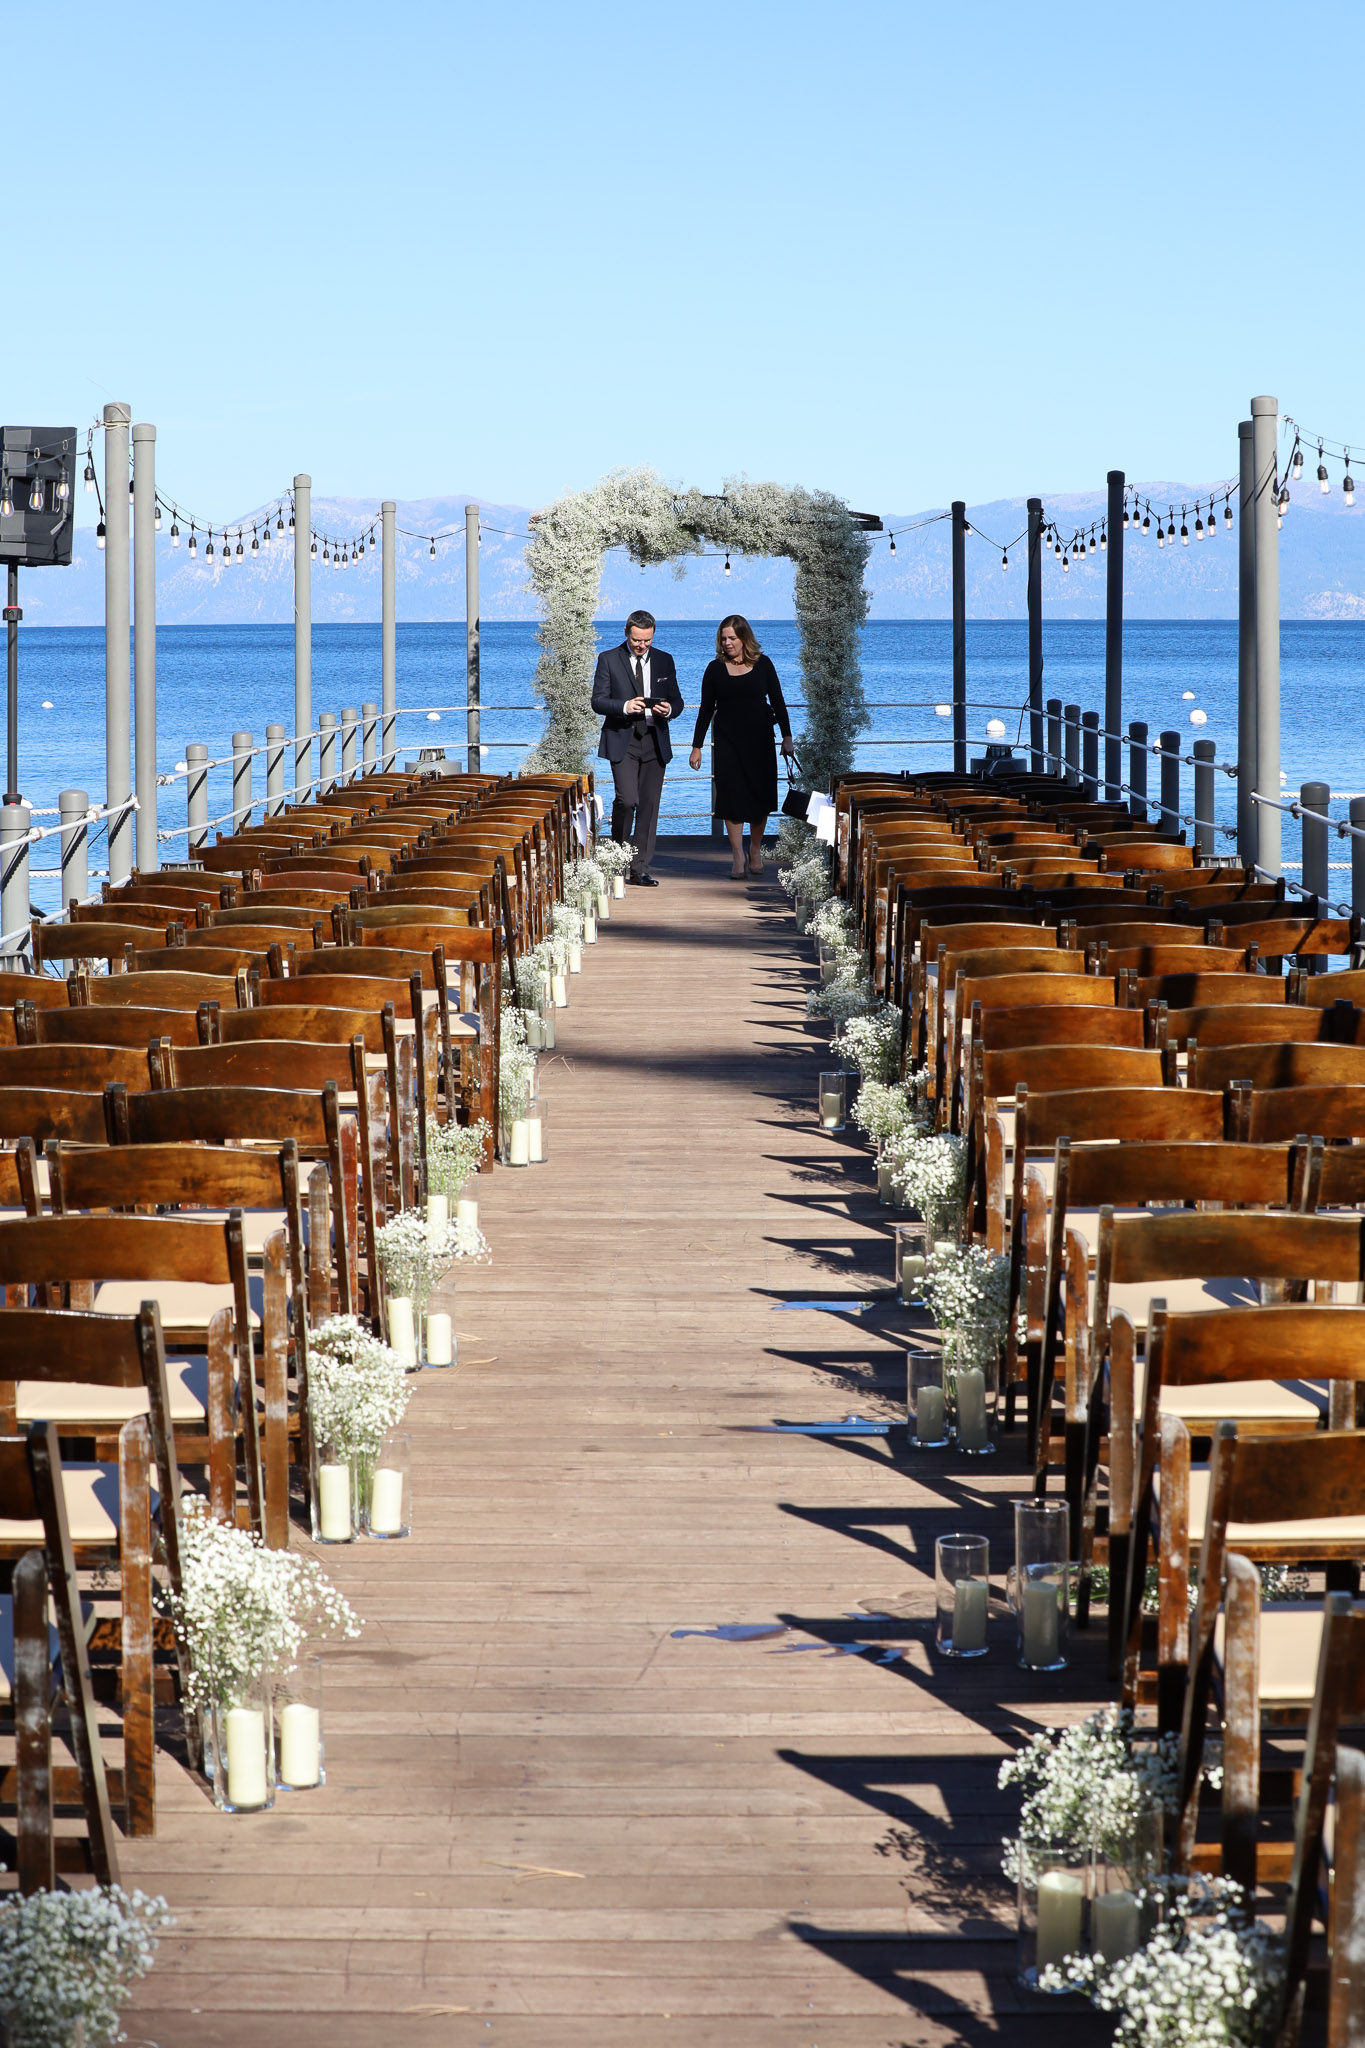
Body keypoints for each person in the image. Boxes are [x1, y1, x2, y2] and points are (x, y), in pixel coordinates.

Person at [688, 615, 795, 877]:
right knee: (731, 796)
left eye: (732, 638)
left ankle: (755, 851)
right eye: (723, 638)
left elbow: (778, 701)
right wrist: (696, 746)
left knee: (760, 796)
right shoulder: (714, 669)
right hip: (727, 743)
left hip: (760, 742)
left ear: (744, 638)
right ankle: (737, 855)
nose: (727, 643)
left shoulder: (764, 664)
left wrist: (787, 737)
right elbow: (705, 710)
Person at [590, 610, 684, 887]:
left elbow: (677, 700)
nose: (642, 645)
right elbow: (597, 701)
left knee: (649, 806)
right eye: (636, 640)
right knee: (627, 800)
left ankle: (640, 868)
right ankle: (618, 859)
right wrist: (624, 706)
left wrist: (669, 709)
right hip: (623, 739)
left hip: (655, 740)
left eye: (647, 640)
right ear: (626, 633)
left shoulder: (665, 660)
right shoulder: (608, 659)